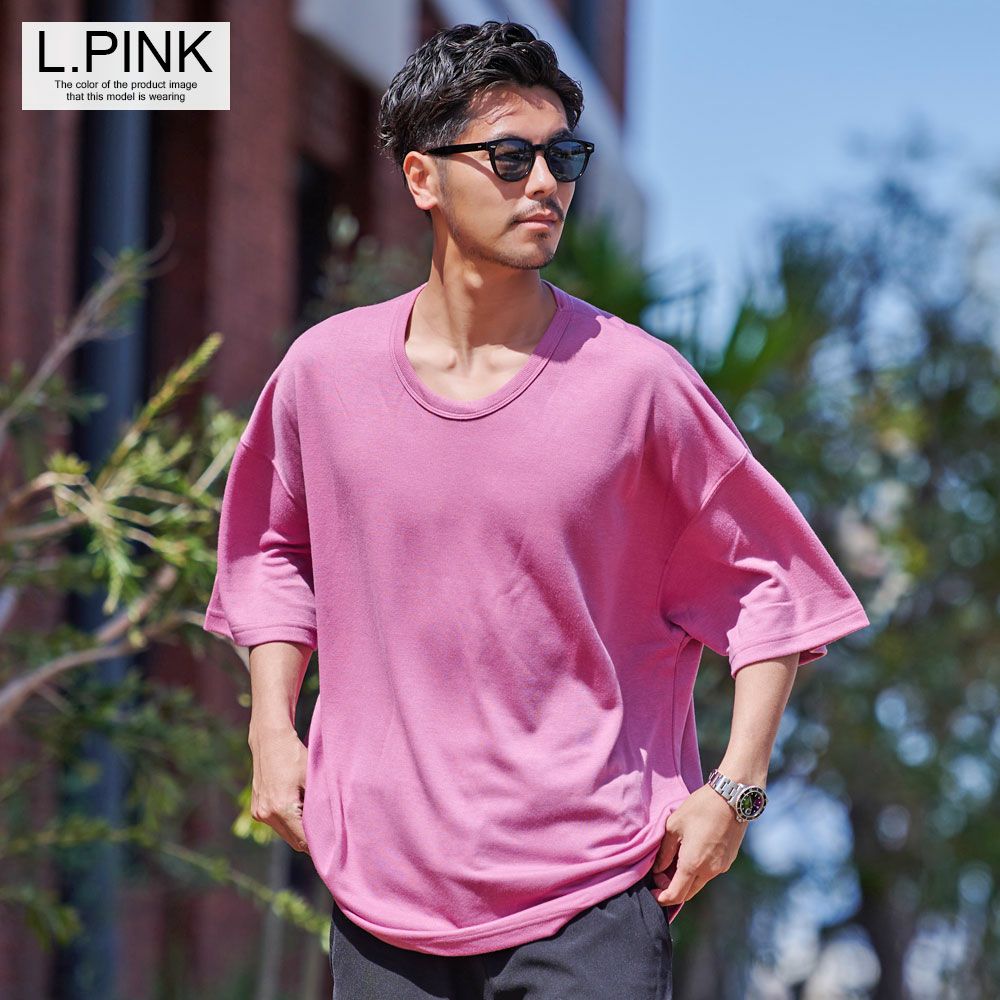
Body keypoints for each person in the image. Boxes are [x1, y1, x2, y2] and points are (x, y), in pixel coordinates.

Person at [203, 19, 871, 1000]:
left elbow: (768, 584)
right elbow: (271, 551)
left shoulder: (638, 384)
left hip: (590, 893)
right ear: (423, 177)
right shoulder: (324, 374)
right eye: (511, 157)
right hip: (382, 890)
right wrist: (272, 727)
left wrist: (736, 789)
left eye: (564, 157)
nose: (546, 183)